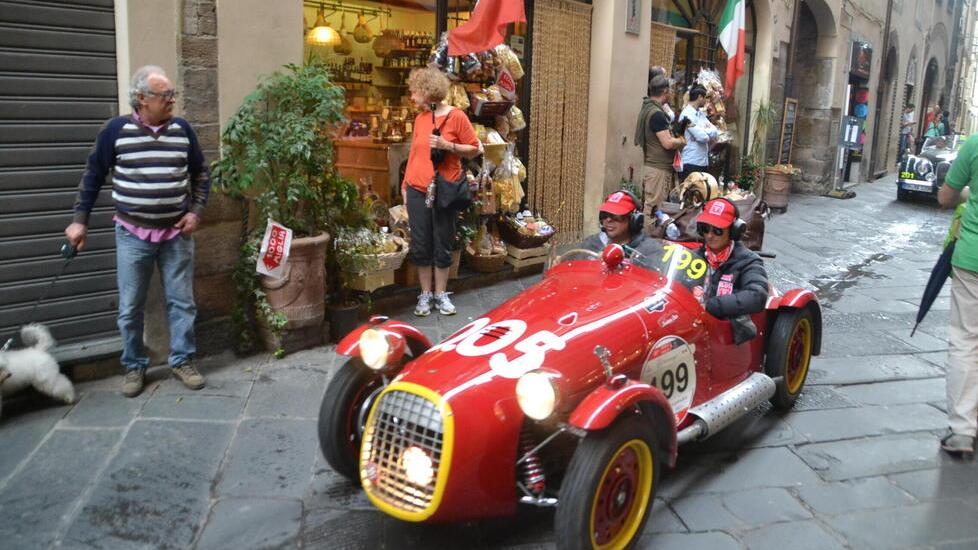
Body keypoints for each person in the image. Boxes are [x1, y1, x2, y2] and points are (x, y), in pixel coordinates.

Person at [65, 65, 209, 398]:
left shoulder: (182, 130)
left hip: (176, 234)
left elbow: (202, 174)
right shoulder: (116, 131)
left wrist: (195, 212)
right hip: (132, 233)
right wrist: (79, 220)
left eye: (173, 94)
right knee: (130, 306)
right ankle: (133, 365)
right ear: (142, 99)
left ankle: (182, 360)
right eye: (165, 95)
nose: (172, 100)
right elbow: (92, 176)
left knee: (183, 303)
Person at [402, 67, 480, 317]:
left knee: (443, 242)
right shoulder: (421, 119)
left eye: (415, 92)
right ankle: (425, 295)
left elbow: (475, 149)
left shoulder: (456, 117)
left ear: (427, 91)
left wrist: (448, 145)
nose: (412, 97)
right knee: (421, 243)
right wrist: (405, 185)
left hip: (445, 188)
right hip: (417, 188)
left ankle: (441, 294)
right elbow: (414, 154)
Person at [937, 132, 978, 455]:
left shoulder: (976, 143)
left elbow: (945, 196)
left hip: (973, 259)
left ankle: (963, 430)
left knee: (966, 340)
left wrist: (969, 193)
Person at [694, 198, 768, 320]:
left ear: (734, 230)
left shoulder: (749, 261)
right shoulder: (693, 256)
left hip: (725, 329)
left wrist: (708, 306)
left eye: (718, 230)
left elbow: (757, 295)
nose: (710, 235)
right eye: (705, 229)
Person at [635, 74, 687, 216]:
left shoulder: (648, 108)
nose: (671, 93)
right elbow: (668, 143)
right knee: (653, 210)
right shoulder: (656, 113)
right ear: (665, 92)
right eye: (671, 90)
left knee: (652, 207)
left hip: (653, 167)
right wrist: (682, 141)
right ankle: (648, 237)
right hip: (657, 169)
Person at [580, 190, 664, 259]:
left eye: (615, 215)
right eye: (605, 215)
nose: (608, 219)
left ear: (634, 220)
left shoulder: (650, 250)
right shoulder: (592, 243)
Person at [678, 85, 718, 183]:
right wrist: (705, 131)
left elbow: (714, 131)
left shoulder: (700, 114)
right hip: (690, 162)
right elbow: (702, 137)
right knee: (689, 194)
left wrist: (702, 130)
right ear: (700, 97)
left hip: (702, 162)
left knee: (701, 195)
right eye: (705, 98)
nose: (706, 101)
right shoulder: (686, 115)